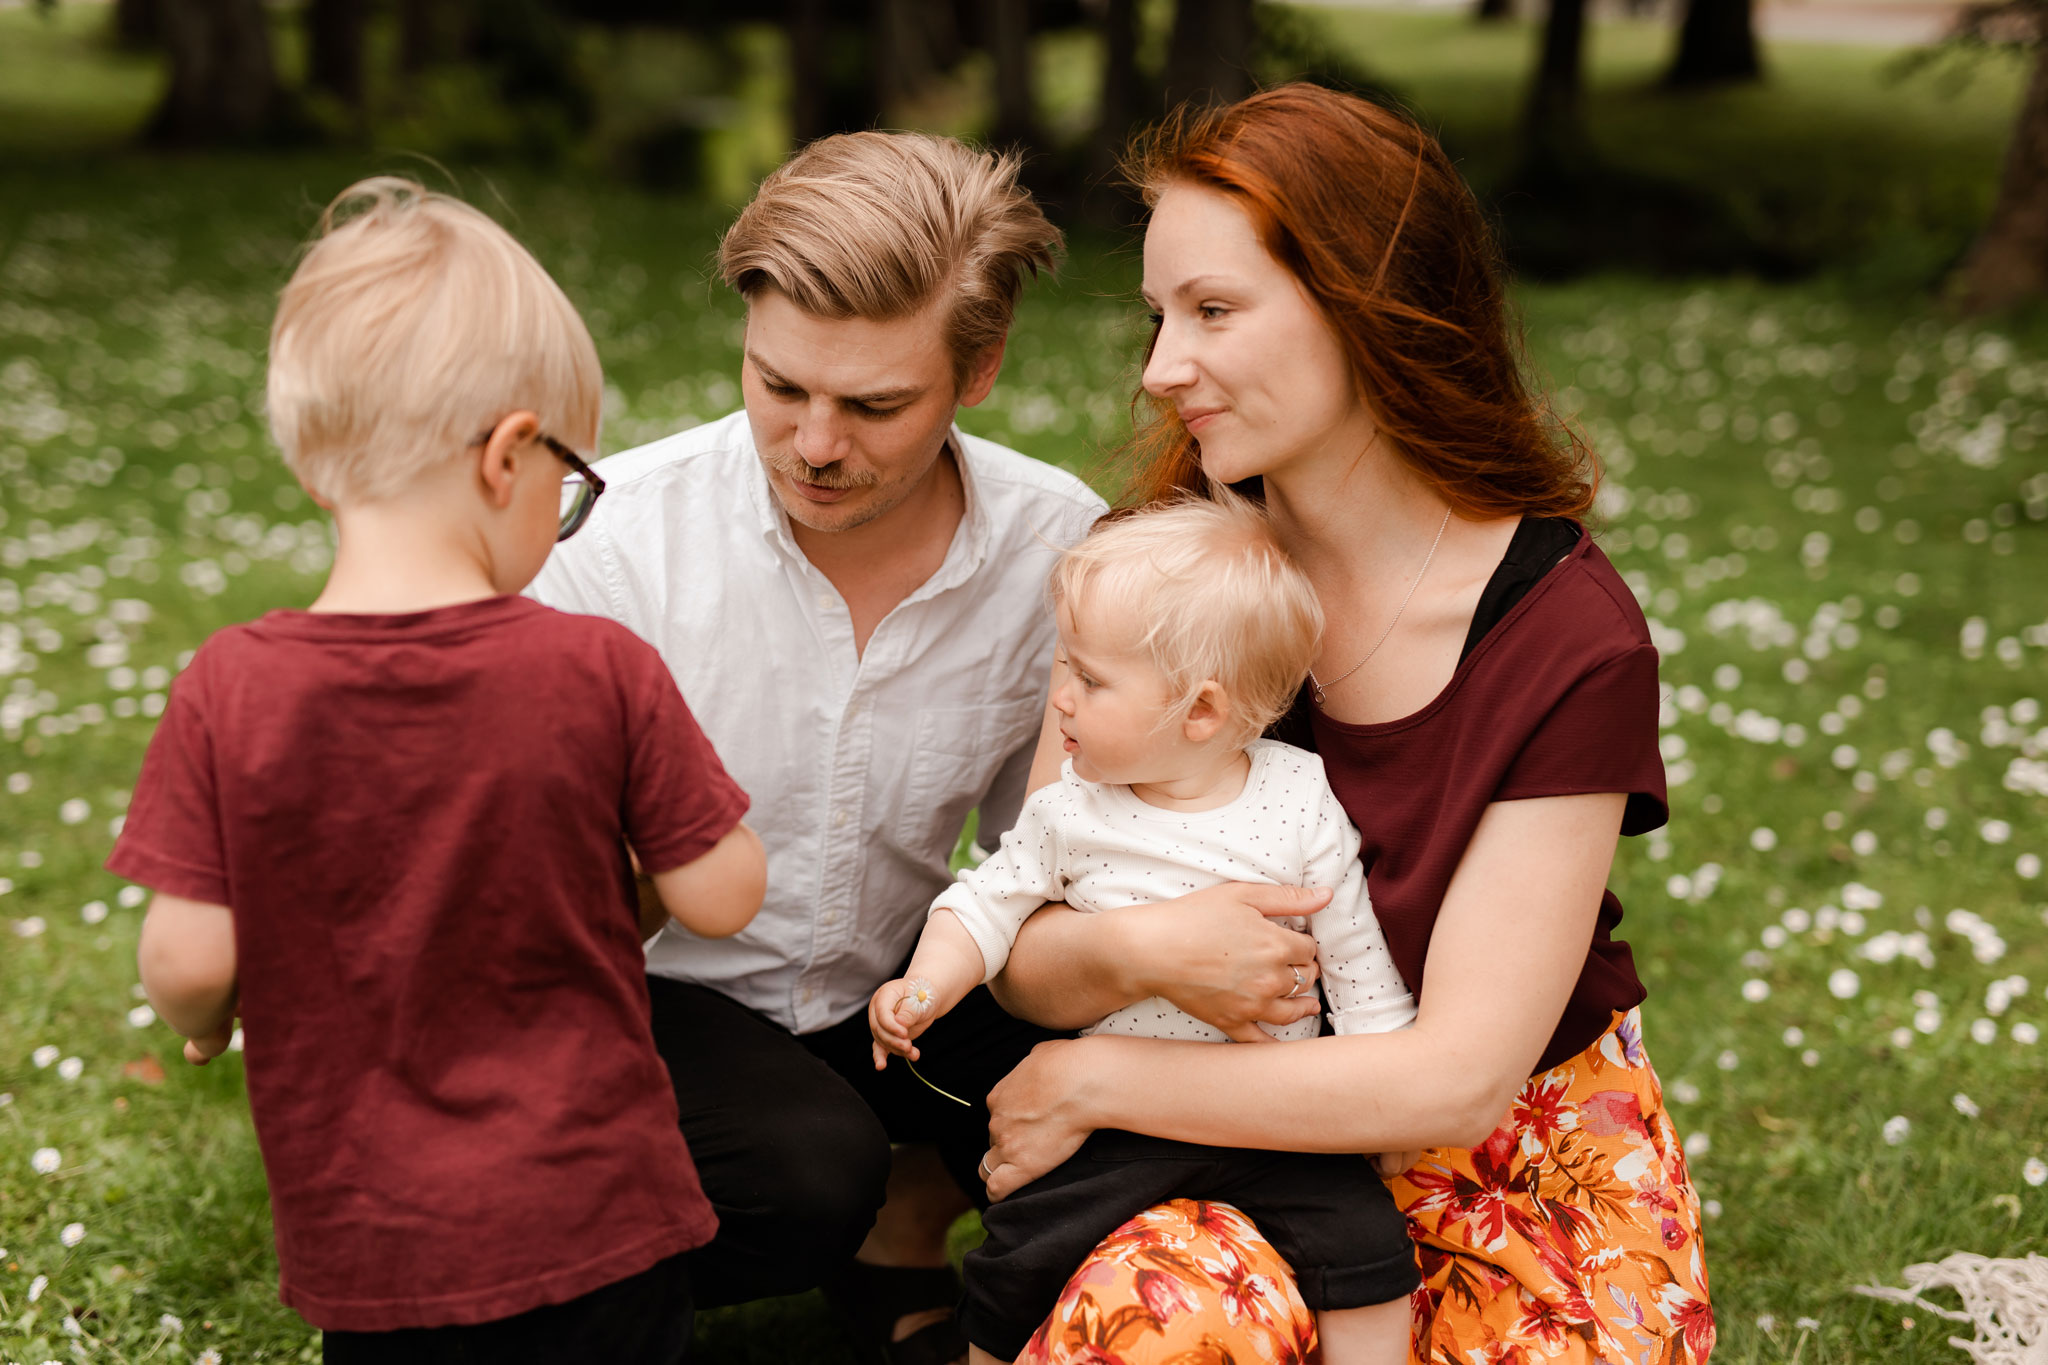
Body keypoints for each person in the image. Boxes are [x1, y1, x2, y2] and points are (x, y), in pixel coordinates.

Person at [976, 85, 1714, 1365]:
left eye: (1212, 311)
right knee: (1161, 1334)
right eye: (1158, 317)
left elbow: (1451, 1081)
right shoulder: (1149, 584)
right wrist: (1150, 953)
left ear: (1365, 301)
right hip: (1216, 1135)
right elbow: (1029, 950)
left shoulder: (1563, 636)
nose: (1160, 369)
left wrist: (1094, 1079)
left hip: (1510, 1157)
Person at [109, 179, 768, 1363]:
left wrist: (203, 1023)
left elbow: (187, 960)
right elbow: (723, 895)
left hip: (376, 1242)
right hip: (597, 1216)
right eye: (571, 485)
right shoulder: (596, 667)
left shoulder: (227, 686)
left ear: (316, 467)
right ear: (511, 456)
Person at [527, 130, 1104, 1362]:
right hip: (653, 997)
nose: (817, 444)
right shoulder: (610, 549)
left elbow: (1055, 854)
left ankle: (910, 1236)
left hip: (907, 979)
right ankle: (538, 1262)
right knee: (799, 1172)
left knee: (1114, 1144)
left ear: (979, 368)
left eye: (875, 404)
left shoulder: (1061, 549)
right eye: (779, 386)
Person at [869, 496, 1421, 1365]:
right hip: (1115, 1124)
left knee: (1370, 1250)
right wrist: (927, 984)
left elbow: (1357, 959)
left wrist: (1386, 1116)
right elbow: (986, 903)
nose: (1060, 699)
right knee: (1018, 1251)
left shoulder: (1298, 798)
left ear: (1200, 711)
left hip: (1276, 1112)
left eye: (1089, 679)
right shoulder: (1069, 812)